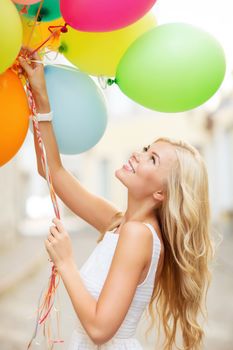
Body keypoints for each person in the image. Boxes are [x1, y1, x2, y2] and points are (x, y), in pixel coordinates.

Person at [19, 49, 214, 350]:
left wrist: (66, 261)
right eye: (147, 147)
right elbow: (52, 171)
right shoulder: (120, 223)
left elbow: (99, 330)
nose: (138, 153)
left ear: (161, 193)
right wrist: (40, 97)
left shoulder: (138, 235)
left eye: (151, 159)